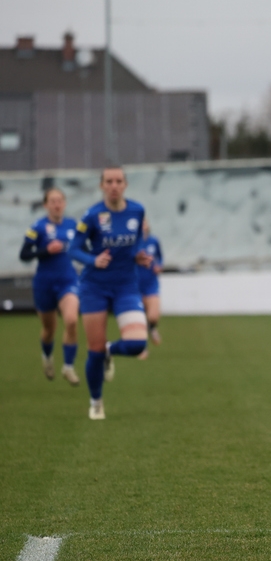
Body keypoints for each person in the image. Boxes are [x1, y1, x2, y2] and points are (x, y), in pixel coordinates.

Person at [69, 167, 152, 419]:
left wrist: (138, 255)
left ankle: (109, 350)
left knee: (138, 344)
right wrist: (93, 260)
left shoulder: (137, 211)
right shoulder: (93, 215)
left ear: (125, 184)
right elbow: (74, 249)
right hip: (94, 287)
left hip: (126, 285)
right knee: (93, 350)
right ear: (101, 186)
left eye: (118, 181)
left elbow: (136, 241)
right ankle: (96, 401)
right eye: (109, 181)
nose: (114, 185)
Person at [19, 188, 81, 385]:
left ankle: (68, 367)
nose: (57, 204)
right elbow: (24, 255)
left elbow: (85, 246)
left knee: (71, 320)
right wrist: (45, 250)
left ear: (64, 203)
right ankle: (47, 357)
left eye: (60, 201)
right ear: (46, 205)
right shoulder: (37, 227)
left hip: (68, 280)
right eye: (52, 201)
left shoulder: (73, 225)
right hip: (44, 283)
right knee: (49, 328)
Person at [136, 219, 164, 357]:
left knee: (153, 316)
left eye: (145, 223)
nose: (143, 226)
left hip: (151, 284)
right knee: (141, 318)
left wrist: (159, 265)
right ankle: (142, 348)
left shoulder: (154, 241)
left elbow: (160, 257)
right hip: (136, 284)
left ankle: (152, 328)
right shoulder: (134, 242)